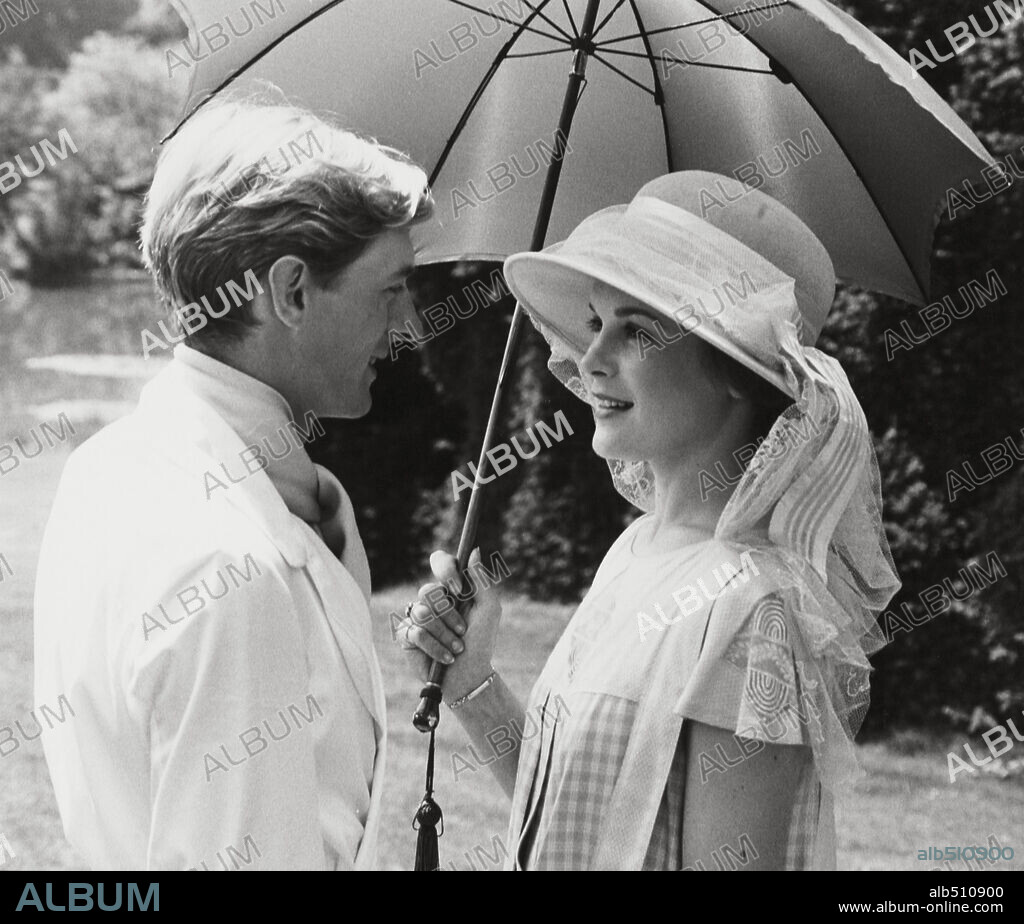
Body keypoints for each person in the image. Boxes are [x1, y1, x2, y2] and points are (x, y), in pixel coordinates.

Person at [398, 171, 900, 870]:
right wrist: (472, 683)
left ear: (734, 370)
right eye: (596, 323)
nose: (591, 358)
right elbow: (580, 825)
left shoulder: (753, 614)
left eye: (634, 331)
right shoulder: (635, 552)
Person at [33, 98, 432, 870]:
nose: (411, 325)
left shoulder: (108, 468)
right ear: (289, 292)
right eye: (392, 289)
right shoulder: (230, 572)